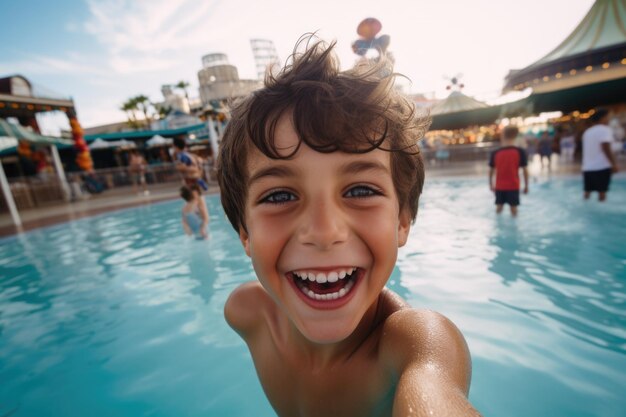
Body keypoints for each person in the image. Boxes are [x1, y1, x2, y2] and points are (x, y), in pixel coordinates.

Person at [216, 38, 480, 417]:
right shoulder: (246, 313)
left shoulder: (414, 345)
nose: (323, 232)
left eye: (360, 190)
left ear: (402, 221)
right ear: (244, 232)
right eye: (278, 196)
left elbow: (434, 392)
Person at [489, 125, 529, 217]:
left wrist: (490, 184)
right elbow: (525, 171)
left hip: (499, 186)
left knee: (499, 208)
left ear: (502, 135)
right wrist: (526, 185)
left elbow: (491, 171)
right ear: (516, 135)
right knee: (514, 210)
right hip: (513, 186)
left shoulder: (495, 153)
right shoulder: (520, 152)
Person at [582, 108, 619, 202]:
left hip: (587, 167)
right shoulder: (605, 130)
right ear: (603, 118)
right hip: (602, 166)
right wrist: (613, 164)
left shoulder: (587, 132)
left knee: (587, 192)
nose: (609, 119)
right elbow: (606, 147)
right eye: (608, 117)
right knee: (602, 193)